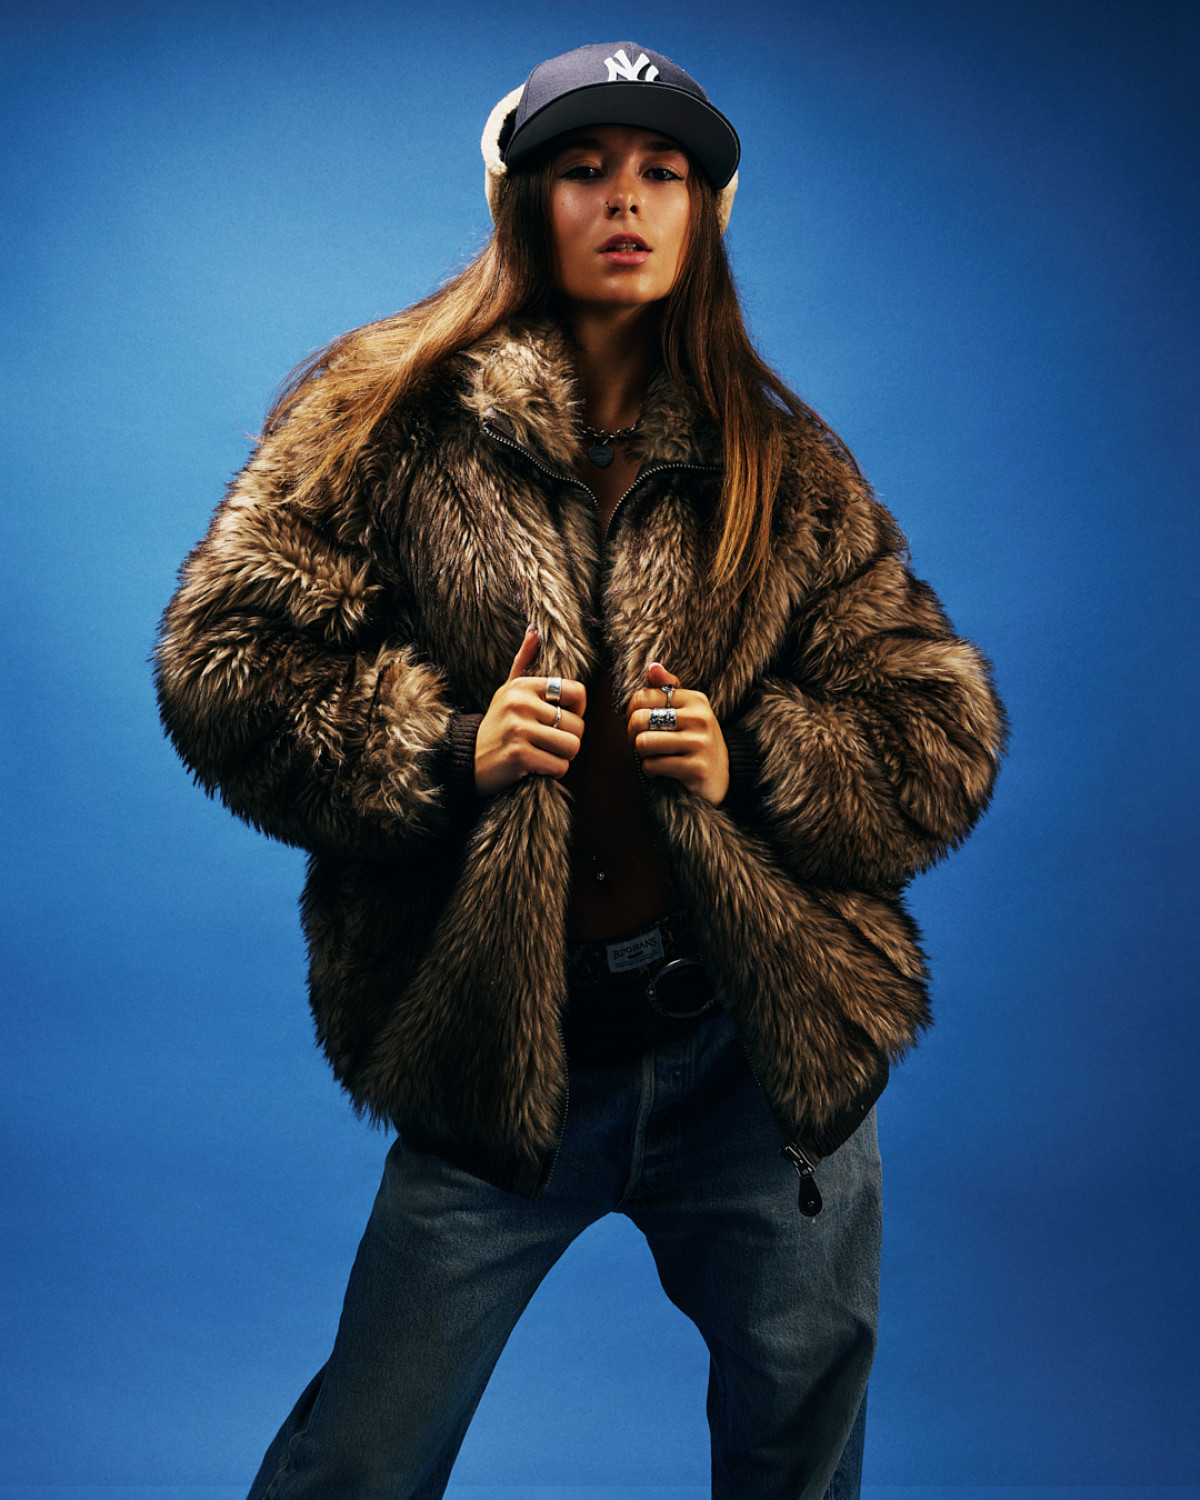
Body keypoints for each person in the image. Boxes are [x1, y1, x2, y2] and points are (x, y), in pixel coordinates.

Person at [155, 41, 1005, 1500]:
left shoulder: (783, 469)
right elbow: (225, 665)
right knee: (360, 1459)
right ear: (521, 200)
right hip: (498, 1046)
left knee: (797, 1455)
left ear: (704, 212)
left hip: (749, 1057)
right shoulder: (387, 424)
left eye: (661, 172)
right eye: (584, 168)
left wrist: (760, 757)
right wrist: (445, 748)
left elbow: (937, 729)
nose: (624, 200)